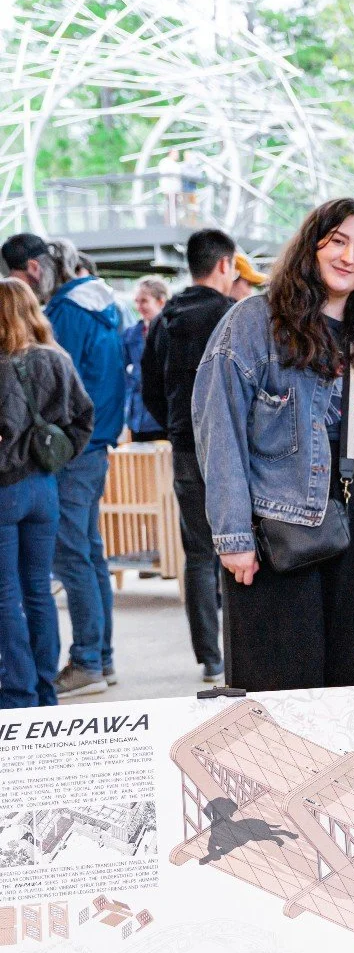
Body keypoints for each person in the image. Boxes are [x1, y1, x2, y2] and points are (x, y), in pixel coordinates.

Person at [193, 198, 354, 691]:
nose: (348, 257)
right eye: (337, 242)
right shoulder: (254, 320)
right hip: (276, 522)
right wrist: (233, 538)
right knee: (281, 689)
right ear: (311, 245)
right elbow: (218, 425)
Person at [141, 230, 237, 684]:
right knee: (241, 542)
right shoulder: (233, 315)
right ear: (224, 265)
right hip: (232, 447)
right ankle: (242, 645)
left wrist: (177, 426)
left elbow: (149, 388)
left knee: (199, 554)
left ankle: (210, 659)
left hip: (184, 446)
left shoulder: (165, 319)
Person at [35, 238, 127, 698]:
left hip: (73, 449)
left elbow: (54, 383)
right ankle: (101, 658)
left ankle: (88, 660)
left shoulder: (69, 313)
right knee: (89, 555)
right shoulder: (106, 306)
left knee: (73, 557)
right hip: (97, 443)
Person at [0, 278, 94, 707]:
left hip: (5, 490)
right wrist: (57, 457)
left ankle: (17, 695)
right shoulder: (56, 358)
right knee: (38, 589)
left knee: (6, 595)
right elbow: (83, 417)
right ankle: (43, 690)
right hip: (45, 488)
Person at [122, 277, 168, 442]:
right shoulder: (131, 334)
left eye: (144, 301)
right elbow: (121, 369)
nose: (139, 307)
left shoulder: (171, 332)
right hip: (137, 415)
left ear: (161, 301)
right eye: (137, 301)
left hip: (162, 417)